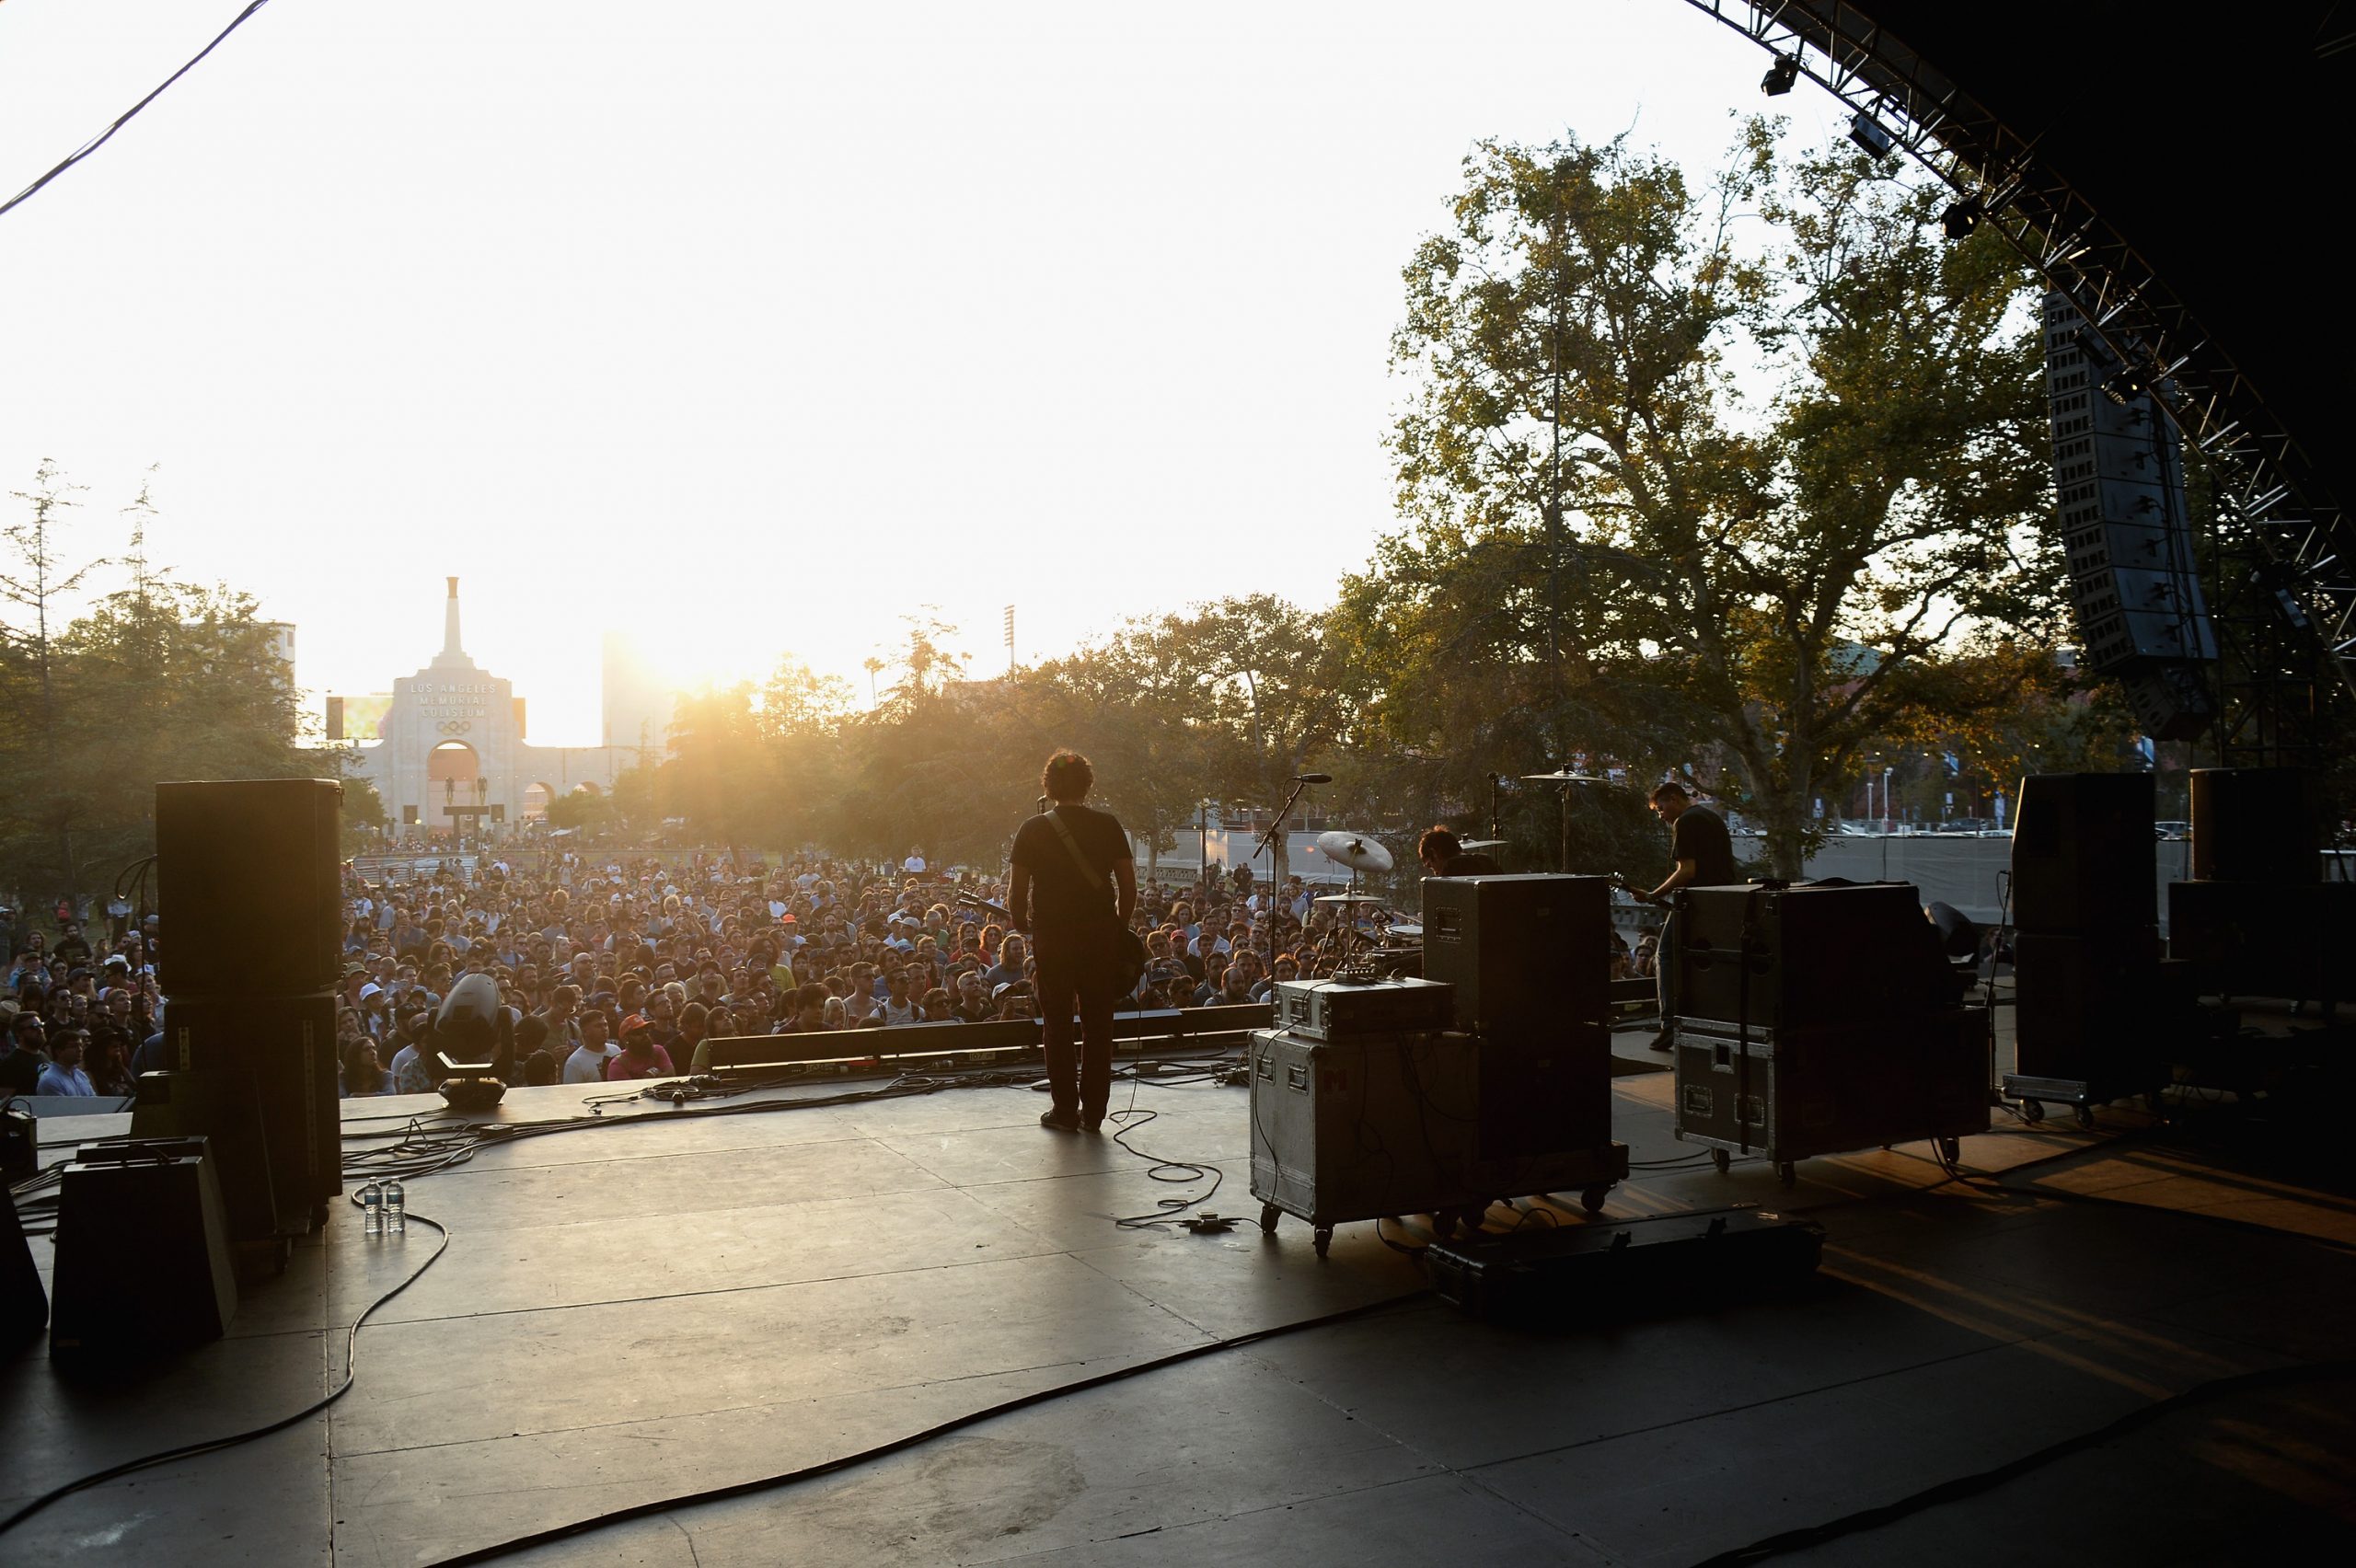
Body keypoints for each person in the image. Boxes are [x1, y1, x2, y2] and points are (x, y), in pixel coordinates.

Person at [1008, 752, 1136, 1133]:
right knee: (1099, 1025)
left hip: (1053, 939)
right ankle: (1095, 1113)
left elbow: (1017, 892)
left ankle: (1064, 1110)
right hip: (1100, 937)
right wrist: (1119, 928)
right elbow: (1128, 887)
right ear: (1088, 784)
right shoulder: (1108, 825)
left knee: (1057, 1025)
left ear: (1047, 786)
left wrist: (1022, 925)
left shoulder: (1032, 828)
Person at [1642, 780, 1739, 1050]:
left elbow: (1687, 870)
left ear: (1674, 799)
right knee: (1704, 960)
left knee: (1665, 955)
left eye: (1661, 808)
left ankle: (1669, 1023)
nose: (1661, 815)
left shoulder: (1684, 822)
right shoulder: (1711, 817)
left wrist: (1654, 894)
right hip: (1723, 897)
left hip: (1696, 899)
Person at [1415, 825, 1501, 878]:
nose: (1431, 869)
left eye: (1429, 864)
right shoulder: (1486, 860)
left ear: (1434, 853)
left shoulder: (1450, 868)